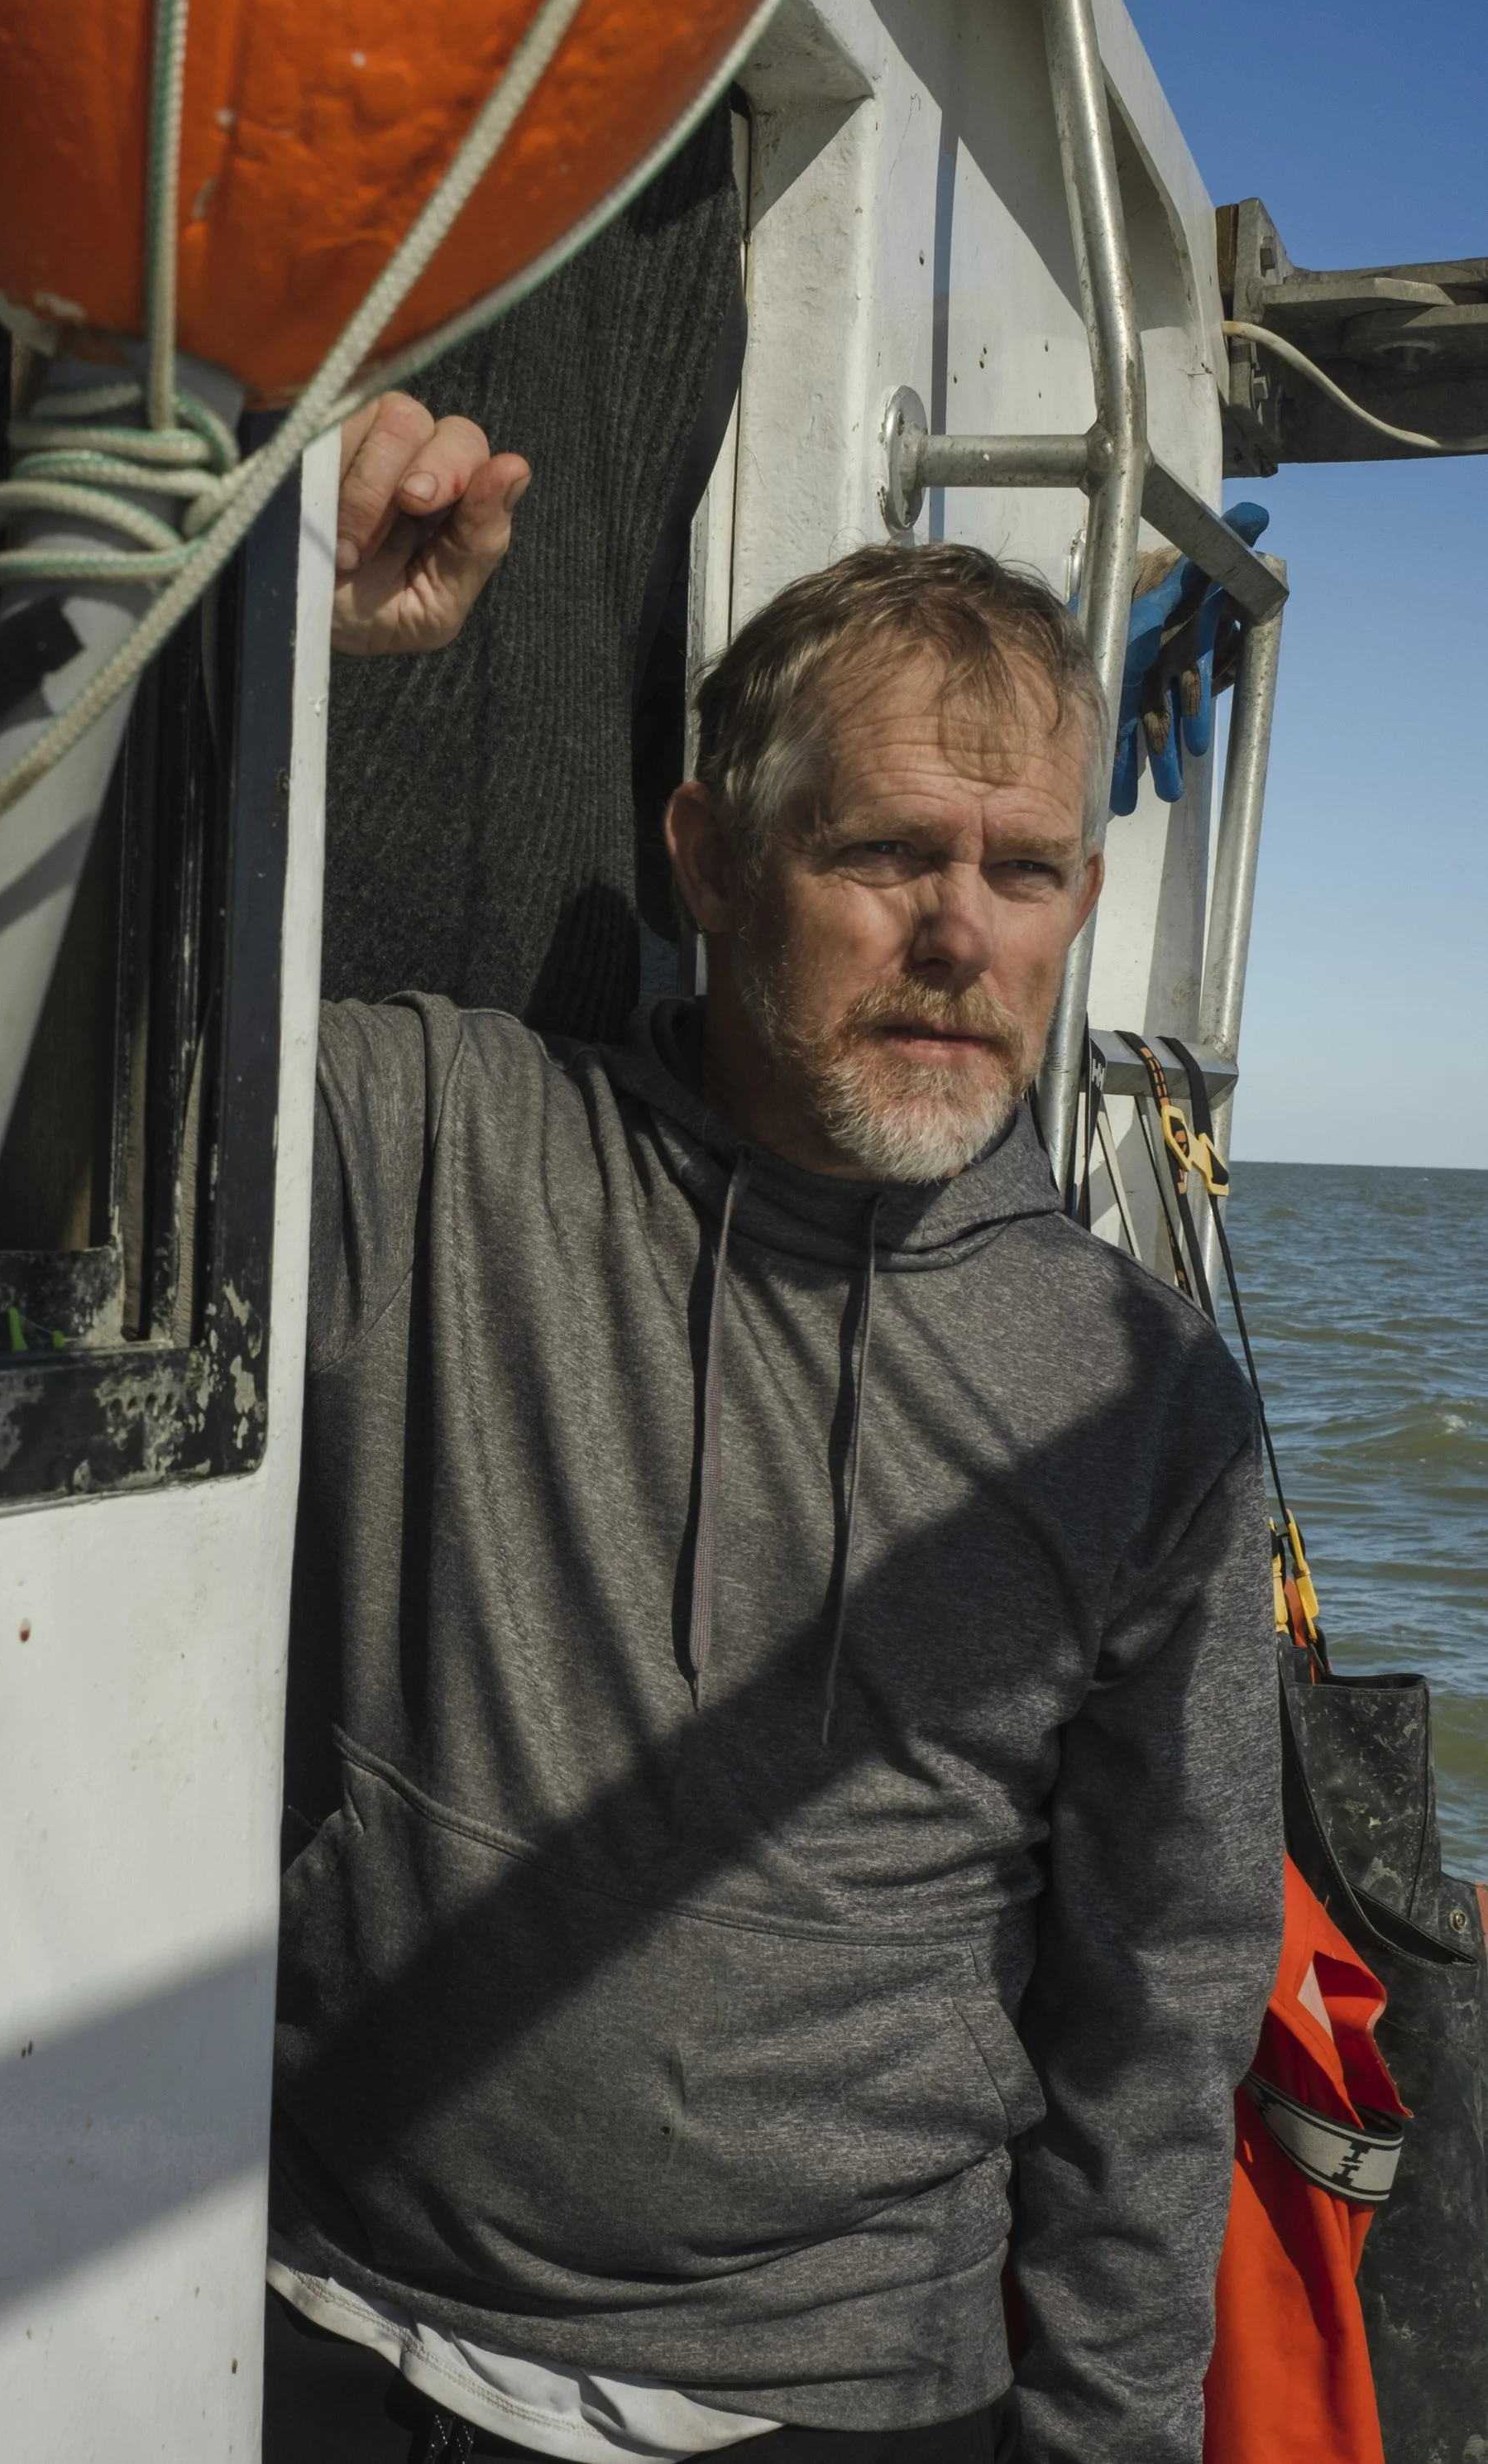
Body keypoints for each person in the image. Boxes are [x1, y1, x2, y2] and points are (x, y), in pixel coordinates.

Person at [270, 405, 1282, 2464]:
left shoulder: (1140, 1400)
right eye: (883, 851)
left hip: (840, 2403)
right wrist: (271, 637)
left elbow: (1158, 2006)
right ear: (710, 861)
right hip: (314, 2319)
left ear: (1082, 901)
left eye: (1019, 873)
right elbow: (82, 1035)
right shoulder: (441, 1143)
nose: (958, 935)